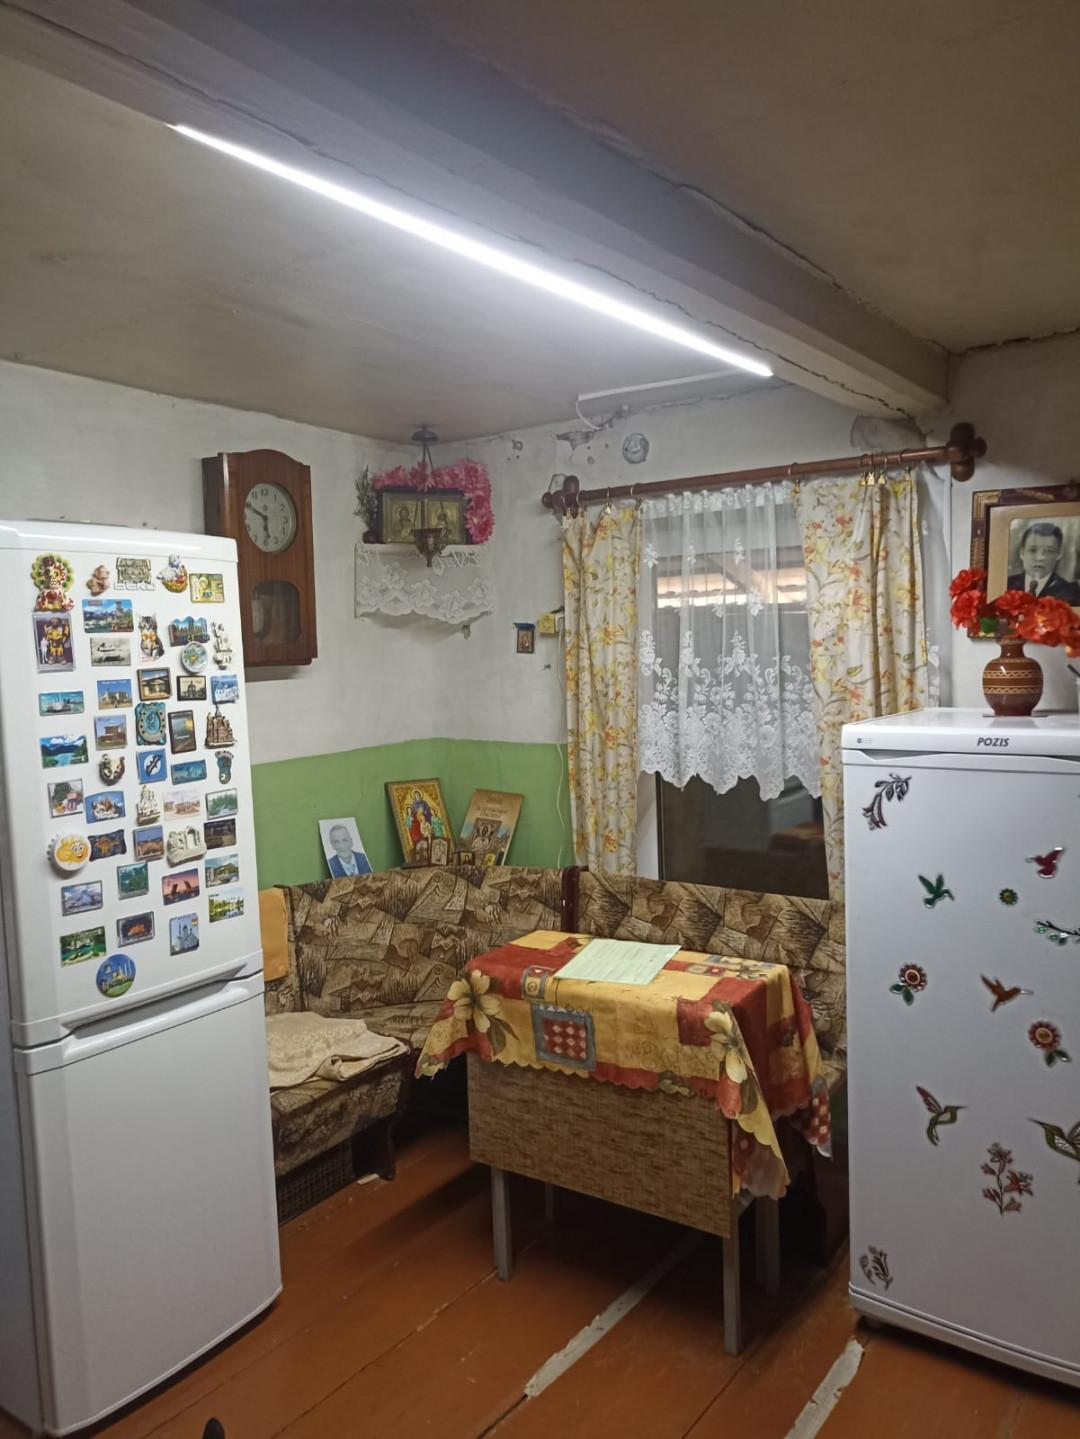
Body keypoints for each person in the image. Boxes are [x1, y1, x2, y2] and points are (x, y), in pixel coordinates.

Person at [1007, 521, 1080, 603]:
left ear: (1059, 554)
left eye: (1049, 551)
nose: (1040, 558)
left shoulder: (1071, 591)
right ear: (1022, 553)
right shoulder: (1007, 584)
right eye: (1033, 550)